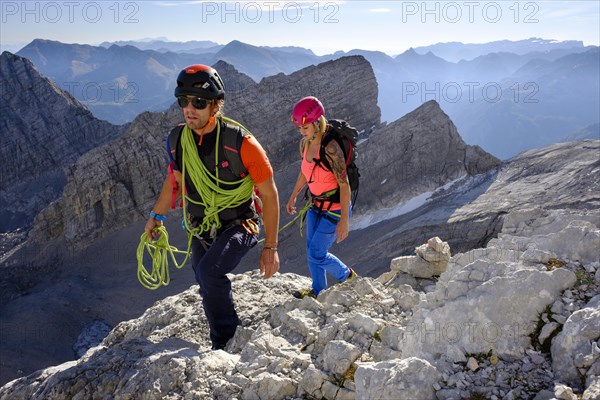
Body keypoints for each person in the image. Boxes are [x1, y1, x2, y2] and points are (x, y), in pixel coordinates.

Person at [144, 64, 280, 350]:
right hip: (201, 226)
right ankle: (230, 328)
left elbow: (269, 195)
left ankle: (224, 342)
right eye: (184, 101)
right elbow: (175, 182)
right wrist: (156, 216)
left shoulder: (242, 144)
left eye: (199, 102)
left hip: (240, 223)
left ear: (216, 105)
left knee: (209, 273)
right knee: (204, 277)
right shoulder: (178, 141)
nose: (189, 109)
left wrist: (271, 248)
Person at [286, 96, 356, 298]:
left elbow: (344, 184)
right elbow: (304, 172)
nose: (302, 132)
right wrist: (293, 196)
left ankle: (347, 276)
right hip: (316, 206)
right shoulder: (304, 144)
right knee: (311, 250)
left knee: (317, 253)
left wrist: (344, 220)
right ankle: (318, 292)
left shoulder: (331, 148)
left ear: (317, 123)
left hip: (335, 209)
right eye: (299, 128)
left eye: (305, 127)